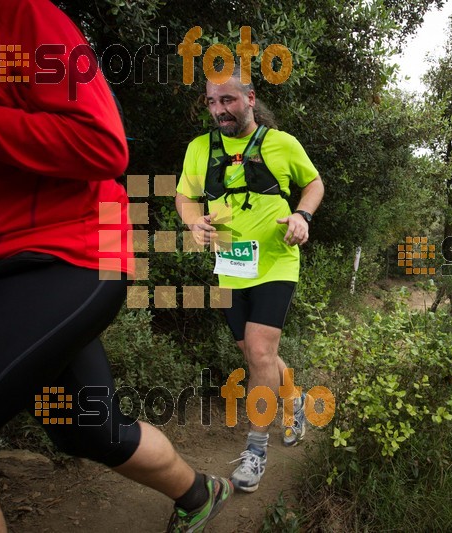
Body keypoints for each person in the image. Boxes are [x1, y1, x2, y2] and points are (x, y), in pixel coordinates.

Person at [0, 0, 231, 531]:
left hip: (67, 258)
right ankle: (200, 493)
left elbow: (101, 143)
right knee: (86, 428)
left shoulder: (12, 22)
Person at [175, 73, 324, 492]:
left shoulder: (282, 143)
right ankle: (294, 400)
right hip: (231, 265)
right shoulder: (200, 149)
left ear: (250, 99)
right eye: (211, 102)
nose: (219, 109)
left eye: (227, 100)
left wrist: (302, 215)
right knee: (252, 353)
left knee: (260, 350)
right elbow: (184, 196)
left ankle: (256, 451)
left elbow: (313, 183)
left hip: (276, 262)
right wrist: (192, 222)